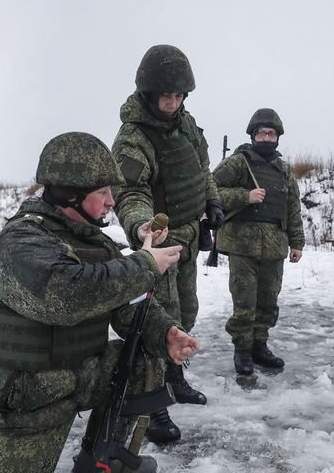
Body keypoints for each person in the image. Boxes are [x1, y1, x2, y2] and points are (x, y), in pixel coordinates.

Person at [0, 132, 199, 472]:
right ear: (71, 197)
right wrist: (146, 264)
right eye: (103, 193)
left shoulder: (92, 240)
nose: (111, 202)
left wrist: (165, 332)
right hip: (22, 395)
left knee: (141, 360)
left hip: (76, 372)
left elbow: (128, 303)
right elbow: (66, 296)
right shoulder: (22, 241)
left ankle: (102, 460)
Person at [110, 44, 223, 443]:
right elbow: (129, 191)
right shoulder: (133, 138)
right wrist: (142, 227)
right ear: (147, 94)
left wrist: (212, 200)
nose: (172, 104)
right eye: (166, 96)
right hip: (159, 243)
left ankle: (175, 377)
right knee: (157, 320)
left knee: (185, 310)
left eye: (179, 96)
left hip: (190, 236)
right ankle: (153, 404)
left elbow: (202, 168)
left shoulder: (186, 124)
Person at [211, 109, 304, 374]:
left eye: (271, 133)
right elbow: (210, 188)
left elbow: (292, 209)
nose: (266, 137)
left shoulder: (284, 170)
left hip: (275, 245)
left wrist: (297, 242)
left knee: (268, 301)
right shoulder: (239, 163)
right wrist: (245, 196)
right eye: (262, 133)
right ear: (253, 135)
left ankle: (259, 346)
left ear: (278, 137)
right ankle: (242, 350)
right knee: (244, 301)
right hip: (243, 244)